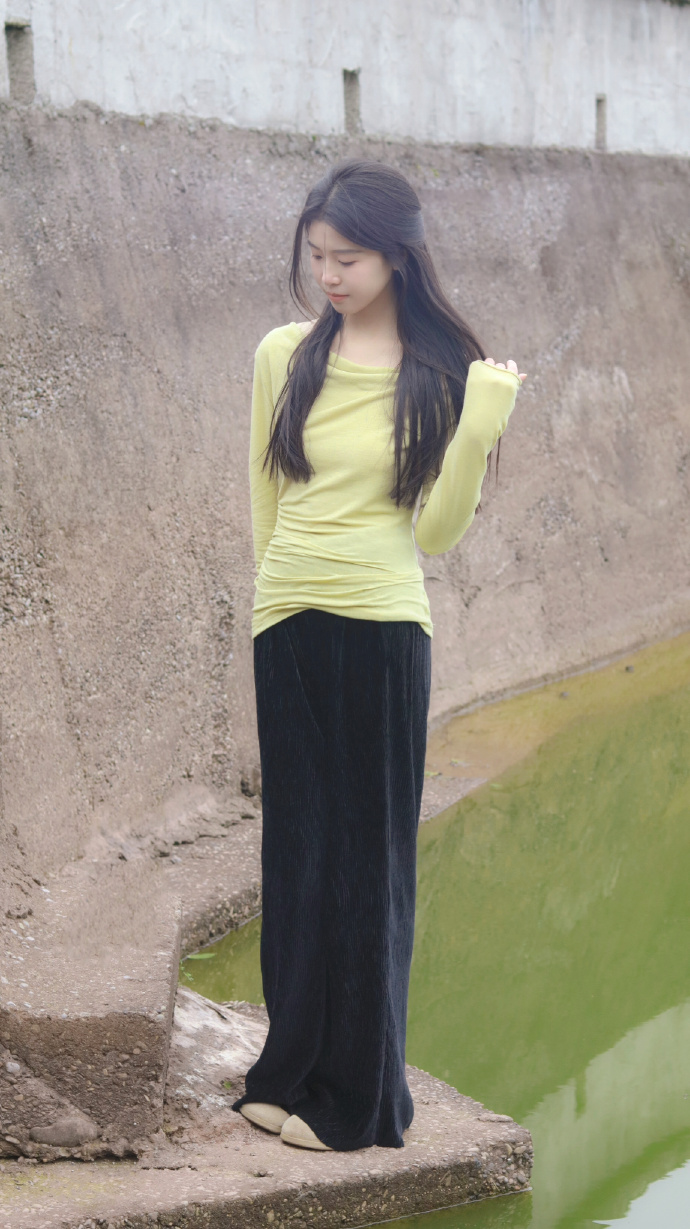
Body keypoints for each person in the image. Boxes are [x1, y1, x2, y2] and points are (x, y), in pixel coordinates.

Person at [232, 160, 526, 1153]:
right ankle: (287, 1071)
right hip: (290, 620)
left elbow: (434, 530)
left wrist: (479, 427)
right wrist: (271, 600)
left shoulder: (441, 375)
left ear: (397, 256)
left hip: (384, 628)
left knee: (368, 864)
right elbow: (267, 491)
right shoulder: (284, 354)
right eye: (317, 256)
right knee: (297, 855)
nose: (328, 274)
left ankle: (356, 1098)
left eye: (347, 258)